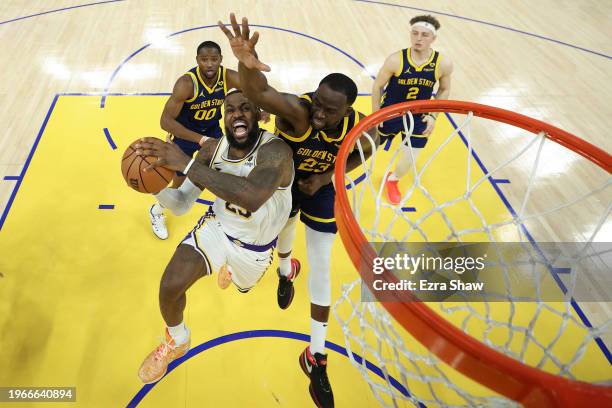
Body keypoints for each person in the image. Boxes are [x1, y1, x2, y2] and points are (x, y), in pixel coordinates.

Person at [219, 14, 376, 408]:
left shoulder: (363, 128)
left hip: (320, 188)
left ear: (348, 110)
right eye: (318, 102)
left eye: (329, 110)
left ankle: (315, 354)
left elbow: (363, 155)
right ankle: (286, 271)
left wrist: (326, 178)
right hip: (285, 183)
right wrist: (245, 63)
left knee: (322, 262)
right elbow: (260, 92)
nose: (319, 113)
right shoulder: (300, 111)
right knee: (284, 242)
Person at [135, 89, 294, 384]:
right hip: (218, 229)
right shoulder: (211, 151)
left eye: (245, 108)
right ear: (224, 119)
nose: (238, 114)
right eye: (230, 110)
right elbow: (182, 203)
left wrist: (186, 163)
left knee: (243, 288)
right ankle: (177, 339)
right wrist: (154, 188)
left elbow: (253, 197)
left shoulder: (275, 152)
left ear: (258, 115)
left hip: (254, 248)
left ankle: (235, 274)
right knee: (170, 286)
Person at [149, 41, 239, 240]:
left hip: (212, 130)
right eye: (204, 60)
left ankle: (228, 217)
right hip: (185, 136)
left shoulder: (228, 77)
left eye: (214, 60)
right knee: (179, 187)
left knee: (226, 170)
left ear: (220, 60)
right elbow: (165, 121)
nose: (209, 64)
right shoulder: (186, 84)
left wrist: (260, 108)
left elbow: (254, 89)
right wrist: (201, 139)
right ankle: (157, 210)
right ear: (197, 60)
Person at [371, 14, 453, 205]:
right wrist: (376, 114)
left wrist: (434, 115)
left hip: (419, 117)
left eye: (424, 35)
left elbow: (444, 88)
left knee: (409, 159)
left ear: (433, 39)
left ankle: (393, 180)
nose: (418, 38)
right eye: (415, 33)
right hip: (389, 113)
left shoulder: (443, 63)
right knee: (367, 147)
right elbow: (377, 87)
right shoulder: (396, 60)